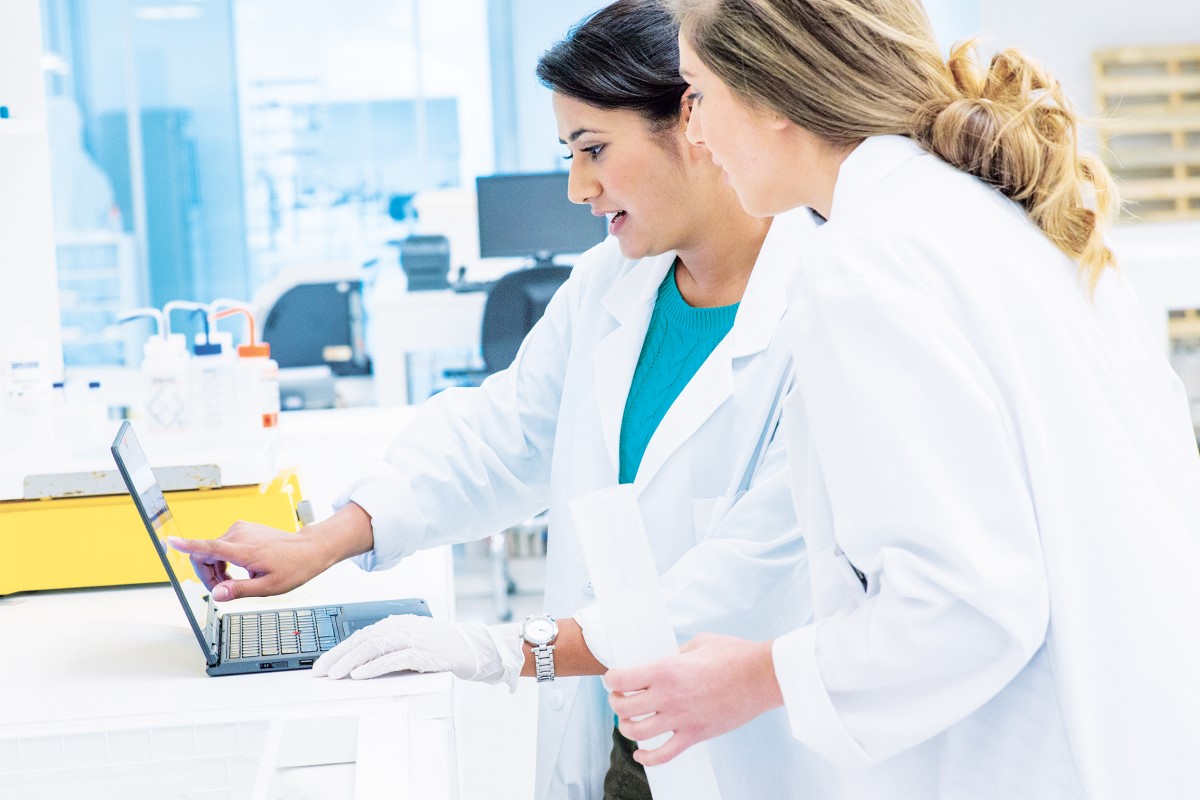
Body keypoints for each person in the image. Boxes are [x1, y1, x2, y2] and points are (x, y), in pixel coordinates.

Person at [170, 3, 828, 798]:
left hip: (761, 753)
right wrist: (325, 541)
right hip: (623, 728)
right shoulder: (612, 285)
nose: (578, 188)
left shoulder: (824, 305)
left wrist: (503, 648)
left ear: (695, 120)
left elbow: (752, 575)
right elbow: (503, 434)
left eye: (594, 150)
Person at [605, 1, 1200, 797]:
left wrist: (756, 677)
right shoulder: (999, 217)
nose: (699, 134)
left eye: (698, 95)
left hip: (1028, 762)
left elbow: (964, 605)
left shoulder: (865, 261)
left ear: (774, 97)